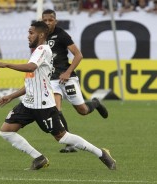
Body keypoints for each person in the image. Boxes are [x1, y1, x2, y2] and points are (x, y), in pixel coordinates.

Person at [0, 21, 116, 171]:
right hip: (28, 103)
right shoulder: (37, 52)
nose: (28, 36)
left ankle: (101, 153)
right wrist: (11, 96)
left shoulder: (43, 49)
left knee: (63, 137)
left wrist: (7, 64)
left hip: (43, 106)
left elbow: (31, 67)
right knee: (6, 131)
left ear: (41, 35)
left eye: (31, 33)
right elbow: (31, 80)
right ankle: (39, 158)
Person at [42, 9, 109, 153]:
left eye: (50, 20)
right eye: (45, 20)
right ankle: (70, 144)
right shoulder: (41, 36)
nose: (48, 23)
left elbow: (78, 55)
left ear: (55, 21)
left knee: (83, 111)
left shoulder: (62, 35)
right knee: (55, 110)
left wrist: (67, 72)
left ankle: (95, 103)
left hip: (67, 78)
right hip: (52, 80)